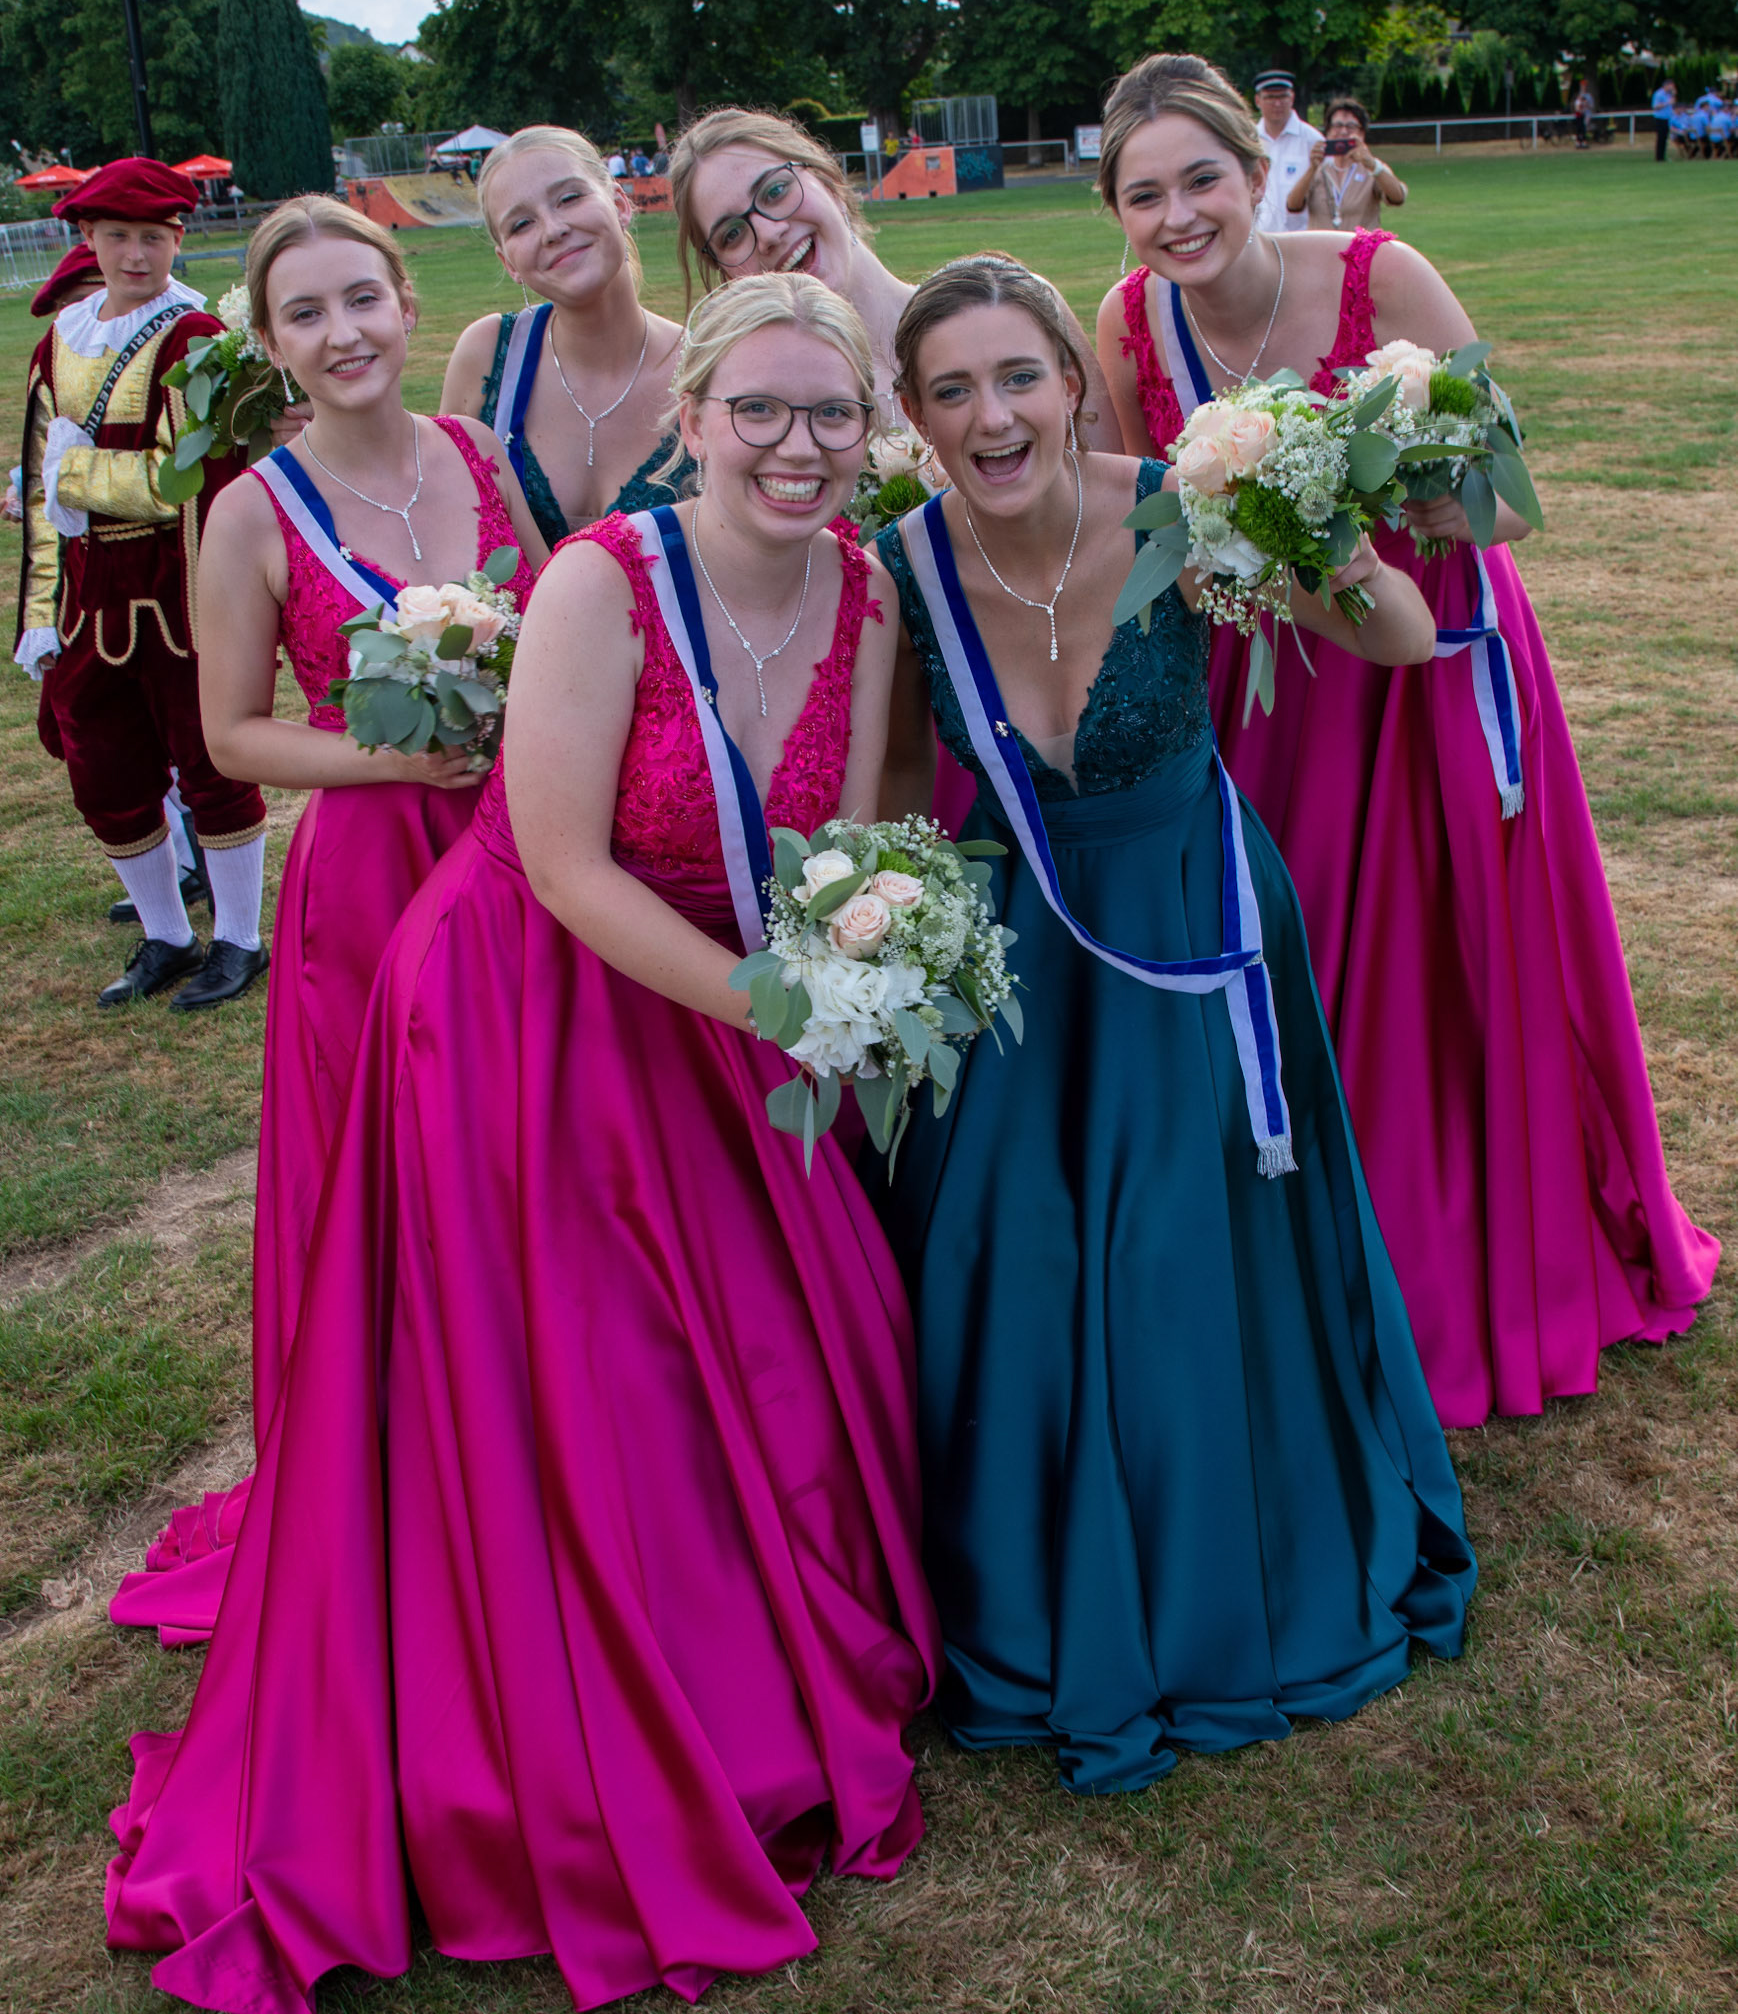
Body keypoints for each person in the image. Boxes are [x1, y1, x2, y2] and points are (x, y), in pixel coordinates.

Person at [106, 271, 940, 2012]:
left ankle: (761, 1632)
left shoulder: (866, 594)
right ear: (694, 420)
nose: (795, 444)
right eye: (758, 408)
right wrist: (782, 1013)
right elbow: (559, 865)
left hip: (717, 1001)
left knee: (787, 1339)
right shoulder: (601, 579)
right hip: (521, 1012)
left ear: (867, 430)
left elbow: (851, 839)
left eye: (829, 412)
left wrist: (871, 959)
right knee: (582, 1368)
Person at [870, 252, 1474, 1793]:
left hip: (1194, 925)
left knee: (1177, 1250)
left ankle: (1228, 1563)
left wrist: (1299, 517)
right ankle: (1031, 1582)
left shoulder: (1172, 508)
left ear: (1074, 383)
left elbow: (1398, 638)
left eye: (1019, 377)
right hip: (1024, 945)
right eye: (952, 390)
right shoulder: (899, 567)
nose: (992, 416)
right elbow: (894, 796)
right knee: (1015, 1248)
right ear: (915, 417)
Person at [1095, 52, 1720, 1427]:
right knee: (1312, 946)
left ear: (1254, 172)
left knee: (1453, 950)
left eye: (1200, 179)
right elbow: (1143, 511)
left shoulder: (1384, 278)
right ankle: (1322, 1255)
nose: (1177, 215)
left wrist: (1451, 508)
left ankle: (1473, 1260)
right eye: (1143, 196)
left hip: (1427, 665)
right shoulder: (1127, 322)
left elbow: (1511, 498)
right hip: (1277, 683)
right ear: (1116, 213)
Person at [108, 197, 546, 1648]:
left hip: (525, 845)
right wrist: (395, 758)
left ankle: (543, 1423)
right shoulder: (249, 509)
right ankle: (417, 1454)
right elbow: (232, 734)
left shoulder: (479, 456)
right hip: (373, 871)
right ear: (271, 343)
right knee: (404, 1167)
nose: (343, 332)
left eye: (362, 297)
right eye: (305, 313)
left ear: (407, 302)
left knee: (527, 1141)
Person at [12, 158, 268, 1009]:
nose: (134, 255)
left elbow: (181, 480)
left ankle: (239, 940)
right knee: (105, 774)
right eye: (117, 235)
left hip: (178, 594)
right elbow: (39, 501)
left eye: (153, 237)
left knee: (211, 764)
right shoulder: (58, 340)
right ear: (86, 237)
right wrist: (39, 612)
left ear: (177, 239)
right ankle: (167, 934)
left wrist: (74, 472)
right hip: (87, 601)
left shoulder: (193, 336)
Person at [670, 107, 1122, 447]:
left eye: (775, 191)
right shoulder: (760, 417)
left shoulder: (1021, 308)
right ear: (725, 272)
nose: (768, 234)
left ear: (826, 180)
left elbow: (1116, 495)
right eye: (732, 234)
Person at [441, 125, 688, 548]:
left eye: (569, 198)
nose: (553, 229)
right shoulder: (486, 357)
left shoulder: (706, 366)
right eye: (522, 224)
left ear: (620, 204)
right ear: (508, 262)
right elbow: (442, 527)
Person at [1288, 96, 1406, 231]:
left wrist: (1372, 165)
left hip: (1360, 244)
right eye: (1337, 126)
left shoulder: (1373, 169)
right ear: (1328, 131)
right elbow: (1293, 205)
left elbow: (1397, 198)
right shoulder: (1318, 170)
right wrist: (1312, 168)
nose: (1343, 132)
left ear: (1362, 133)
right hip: (1323, 244)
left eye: (1351, 126)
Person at [1251, 68, 1313, 232]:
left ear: (1292, 97)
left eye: (1283, 96)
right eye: (1270, 97)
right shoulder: (1249, 140)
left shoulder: (1312, 140)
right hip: (1260, 236)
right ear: (1258, 100)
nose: (1277, 103)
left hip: (1301, 237)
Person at [1653, 76, 1677, 161]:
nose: (1673, 88)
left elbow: (1673, 103)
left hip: (1667, 118)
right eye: (1671, 86)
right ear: (1666, 85)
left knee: (1665, 138)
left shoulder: (1669, 94)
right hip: (1660, 118)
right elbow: (1655, 107)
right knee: (1661, 137)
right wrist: (1667, 103)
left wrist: (1673, 95)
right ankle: (1659, 157)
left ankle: (1662, 156)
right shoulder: (1659, 94)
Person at [1573, 76, 1596, 148]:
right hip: (1580, 114)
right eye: (1582, 86)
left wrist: (1586, 105)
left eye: (1584, 86)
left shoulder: (1589, 96)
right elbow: (1577, 106)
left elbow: (1591, 106)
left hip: (1586, 114)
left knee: (1584, 127)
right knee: (1579, 128)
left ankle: (1583, 141)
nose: (1583, 87)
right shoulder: (1579, 96)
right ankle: (1579, 141)